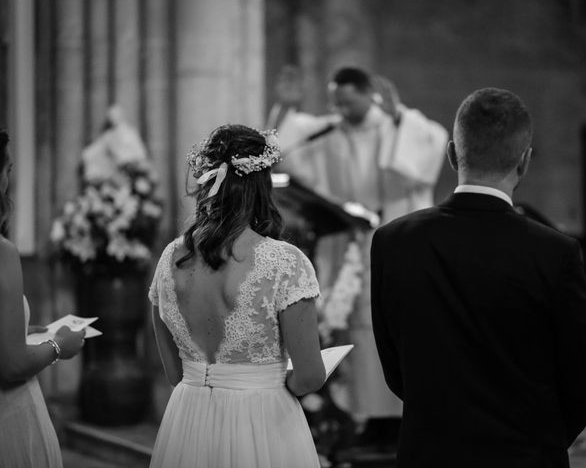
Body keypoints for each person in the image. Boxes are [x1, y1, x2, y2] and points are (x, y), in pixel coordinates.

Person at [370, 87, 586, 467]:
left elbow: (395, 367)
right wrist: (542, 439)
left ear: (451, 154)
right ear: (525, 162)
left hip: (430, 453)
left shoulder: (392, 241)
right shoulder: (554, 252)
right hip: (526, 453)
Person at [269, 65, 448, 441]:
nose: (343, 111)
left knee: (398, 321)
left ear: (370, 95)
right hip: (350, 240)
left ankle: (403, 414)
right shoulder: (332, 132)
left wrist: (398, 119)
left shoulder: (399, 124)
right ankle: (363, 414)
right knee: (355, 326)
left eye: (349, 102)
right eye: (337, 103)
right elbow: (283, 152)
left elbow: (429, 150)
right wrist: (284, 110)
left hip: (398, 237)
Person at [149, 124, 325, 468]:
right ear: (262, 184)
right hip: (261, 420)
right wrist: (271, 380)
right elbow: (310, 377)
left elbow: (173, 373)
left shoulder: (170, 258)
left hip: (188, 418)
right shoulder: (284, 262)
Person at [0, 129, 86, 467]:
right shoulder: (3, 252)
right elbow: (10, 367)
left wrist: (26, 330)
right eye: (7, 169)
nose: (9, 179)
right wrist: (57, 347)